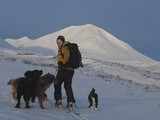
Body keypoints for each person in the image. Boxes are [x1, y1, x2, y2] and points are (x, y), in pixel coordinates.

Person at [54, 35, 76, 110]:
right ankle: (70, 103)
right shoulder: (67, 47)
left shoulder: (64, 47)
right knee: (67, 86)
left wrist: (62, 63)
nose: (58, 43)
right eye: (57, 42)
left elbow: (67, 56)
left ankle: (58, 101)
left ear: (63, 41)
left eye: (59, 42)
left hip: (64, 69)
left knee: (57, 83)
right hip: (71, 70)